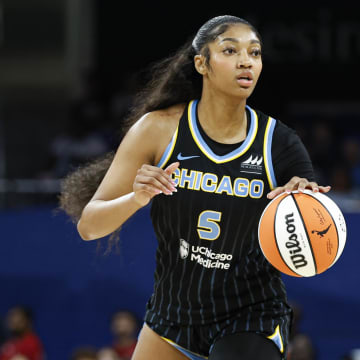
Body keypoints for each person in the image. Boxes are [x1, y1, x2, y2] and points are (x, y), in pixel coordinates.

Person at [59, 15, 331, 360]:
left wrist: (305, 199)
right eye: (230, 50)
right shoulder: (157, 129)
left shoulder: (280, 143)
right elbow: (89, 225)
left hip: (250, 315)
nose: (246, 61)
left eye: (255, 53)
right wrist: (136, 198)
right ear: (201, 63)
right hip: (173, 316)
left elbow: (314, 232)